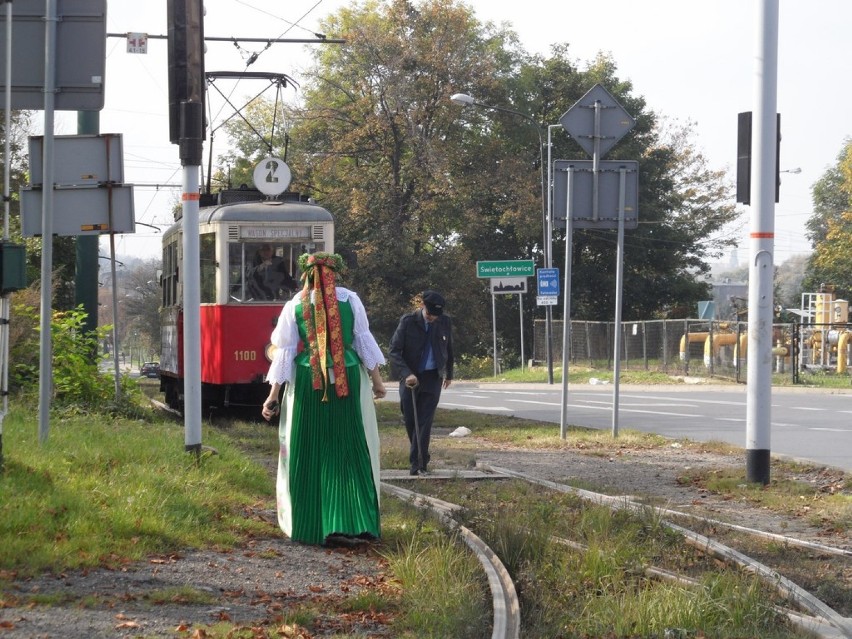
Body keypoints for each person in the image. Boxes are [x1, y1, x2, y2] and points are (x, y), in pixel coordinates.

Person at [262, 252, 387, 546]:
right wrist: (378, 382)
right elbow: (362, 340)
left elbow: (285, 352)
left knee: (309, 448)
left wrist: (272, 397)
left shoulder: (295, 304)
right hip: (348, 376)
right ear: (335, 273)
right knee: (351, 448)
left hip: (310, 381)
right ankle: (357, 521)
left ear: (306, 274)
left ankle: (310, 525)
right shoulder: (351, 300)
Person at [388, 290, 453, 476]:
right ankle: (420, 457)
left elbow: (448, 347)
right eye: (430, 314)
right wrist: (406, 373)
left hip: (433, 377)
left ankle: (419, 464)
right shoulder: (408, 322)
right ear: (423, 307)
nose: (432, 318)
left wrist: (449, 373)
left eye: (436, 315)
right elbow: (394, 350)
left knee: (424, 421)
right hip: (411, 378)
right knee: (410, 419)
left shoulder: (444, 321)